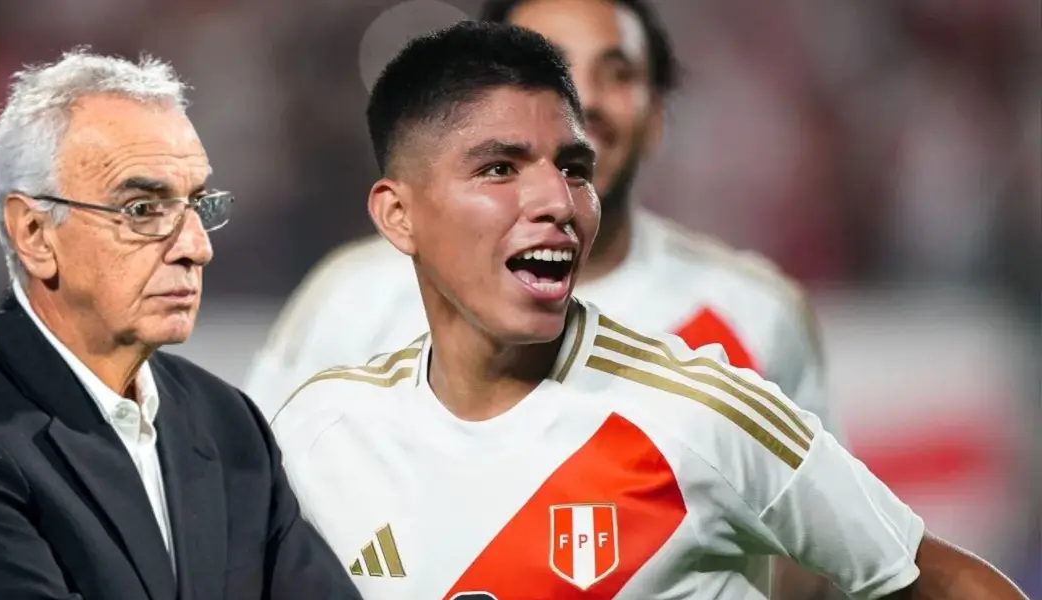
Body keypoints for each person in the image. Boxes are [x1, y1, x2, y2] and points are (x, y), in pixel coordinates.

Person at [270, 22, 1028, 600]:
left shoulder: (702, 415)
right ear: (397, 215)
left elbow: (942, 580)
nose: (555, 203)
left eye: (572, 169)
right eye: (499, 169)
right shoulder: (322, 434)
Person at [0, 49, 360, 600]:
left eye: (197, 205)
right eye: (143, 209)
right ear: (36, 234)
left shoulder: (226, 423)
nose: (196, 247)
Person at [243, 0, 838, 462]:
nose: (581, 100)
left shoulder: (753, 313)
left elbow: (814, 555)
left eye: (618, 72)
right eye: (547, 67)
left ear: (657, 117)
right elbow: (260, 504)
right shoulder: (352, 301)